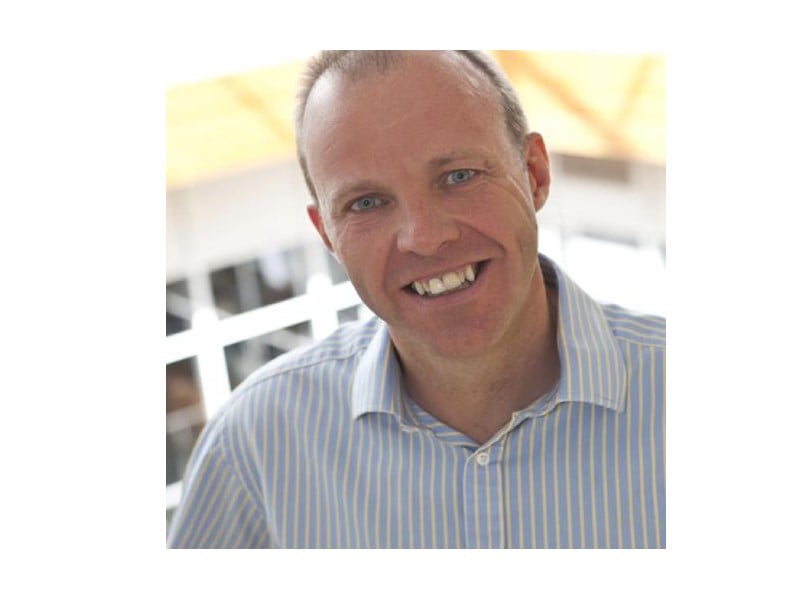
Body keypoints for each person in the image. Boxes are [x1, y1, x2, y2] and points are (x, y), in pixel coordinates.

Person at [167, 50, 665, 549]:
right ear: (328, 235)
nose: (424, 238)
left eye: (459, 176)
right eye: (366, 203)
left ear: (533, 173)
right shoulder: (254, 448)